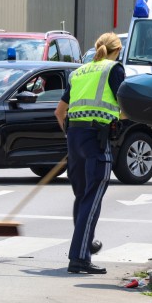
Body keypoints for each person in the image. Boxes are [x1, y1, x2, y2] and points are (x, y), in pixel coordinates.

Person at [54, 32, 125, 274]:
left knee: (84, 197)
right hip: (96, 139)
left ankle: (86, 244)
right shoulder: (113, 69)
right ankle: (80, 257)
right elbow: (124, 106)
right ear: (117, 51)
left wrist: (72, 135)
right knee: (92, 197)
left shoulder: (79, 72)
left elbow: (59, 112)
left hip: (75, 138)